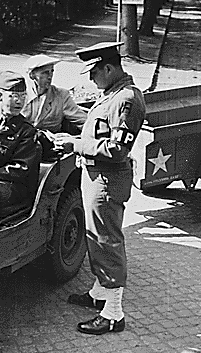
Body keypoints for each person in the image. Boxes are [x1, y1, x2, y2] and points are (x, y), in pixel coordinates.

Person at [54, 42, 146, 335]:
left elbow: (117, 148)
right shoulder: (113, 94)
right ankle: (98, 294)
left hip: (107, 181)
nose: (91, 79)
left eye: (94, 72)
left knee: (107, 243)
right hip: (97, 178)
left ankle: (113, 314)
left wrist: (74, 144)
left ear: (109, 68)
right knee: (95, 238)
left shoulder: (126, 100)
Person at [0, 71, 41, 217]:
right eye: (14, 96)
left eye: (23, 96)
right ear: (0, 96)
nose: (20, 102)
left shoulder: (26, 130)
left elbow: (21, 168)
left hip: (12, 184)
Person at [22, 54, 87, 135]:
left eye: (52, 71)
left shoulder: (61, 96)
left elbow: (83, 121)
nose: (50, 76)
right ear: (32, 76)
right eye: (45, 73)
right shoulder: (22, 95)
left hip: (51, 143)